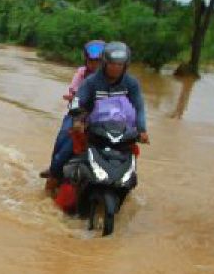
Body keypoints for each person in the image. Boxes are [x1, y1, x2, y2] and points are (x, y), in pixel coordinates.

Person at [47, 41, 149, 187]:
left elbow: (139, 107)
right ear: (105, 63)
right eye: (112, 64)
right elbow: (77, 101)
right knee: (65, 142)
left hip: (115, 125)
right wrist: (77, 120)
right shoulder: (91, 81)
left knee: (130, 152)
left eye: (120, 65)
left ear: (125, 66)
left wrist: (142, 129)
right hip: (86, 120)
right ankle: (54, 176)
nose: (116, 68)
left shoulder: (131, 83)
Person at [41, 40, 105, 185]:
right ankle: (54, 173)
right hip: (78, 115)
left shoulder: (113, 78)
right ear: (86, 60)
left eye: (99, 61)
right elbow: (74, 91)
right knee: (63, 142)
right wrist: (75, 98)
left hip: (102, 118)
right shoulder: (81, 73)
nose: (95, 65)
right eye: (92, 61)